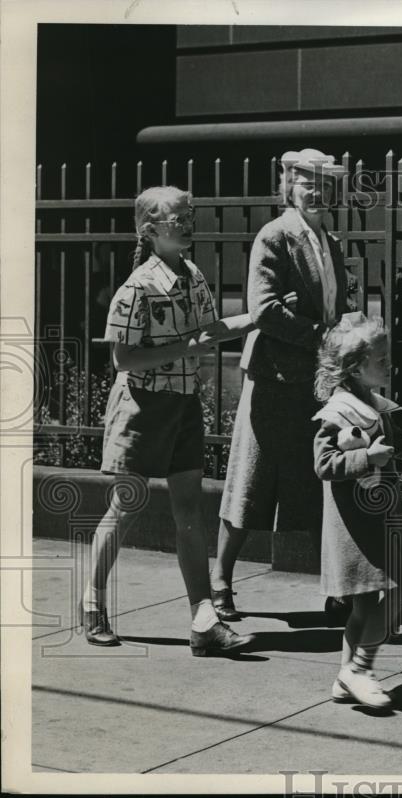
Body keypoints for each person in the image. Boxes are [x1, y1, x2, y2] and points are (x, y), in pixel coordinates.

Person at [84, 185, 255, 656]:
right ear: (150, 230)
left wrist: (258, 318)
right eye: (177, 218)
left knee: (189, 511)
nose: (187, 224)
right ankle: (92, 603)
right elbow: (122, 358)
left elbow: (209, 331)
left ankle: (204, 621)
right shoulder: (136, 287)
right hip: (142, 406)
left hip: (183, 405)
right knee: (127, 507)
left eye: (189, 215)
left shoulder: (194, 274)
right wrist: (186, 348)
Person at [213, 148, 351, 623]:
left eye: (325, 183)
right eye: (307, 182)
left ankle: (337, 589)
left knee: (322, 483)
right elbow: (266, 310)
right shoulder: (275, 235)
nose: (317, 191)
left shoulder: (328, 240)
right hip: (273, 380)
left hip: (317, 381)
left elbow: (329, 308)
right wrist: (320, 335)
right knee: (251, 482)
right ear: (288, 187)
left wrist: (337, 336)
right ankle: (220, 582)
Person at [313, 315, 402, 709]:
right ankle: (359, 668)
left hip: (381, 521)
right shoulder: (338, 413)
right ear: (356, 366)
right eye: (380, 358)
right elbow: (324, 464)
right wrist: (364, 457)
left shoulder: (374, 407)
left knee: (365, 606)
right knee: (394, 590)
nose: (388, 364)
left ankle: (347, 677)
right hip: (357, 526)